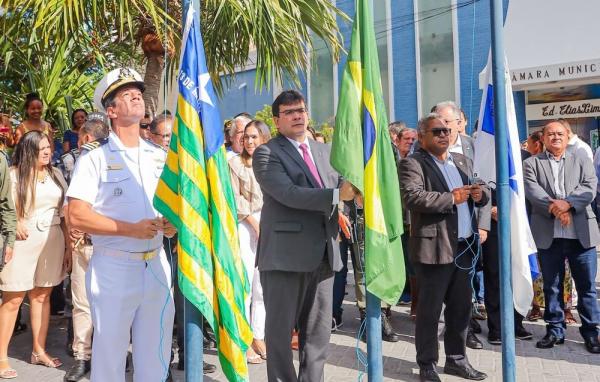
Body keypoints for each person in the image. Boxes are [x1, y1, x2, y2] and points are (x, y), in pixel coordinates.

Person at [67, 67, 176, 381]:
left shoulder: (159, 155)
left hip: (156, 264)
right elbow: (77, 214)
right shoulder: (95, 158)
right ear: (111, 110)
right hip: (114, 267)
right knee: (110, 357)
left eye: (138, 92)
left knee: (156, 355)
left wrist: (172, 226)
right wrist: (131, 229)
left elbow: (172, 207)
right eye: (126, 93)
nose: (136, 96)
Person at [252, 90, 356, 381]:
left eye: (301, 110)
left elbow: (344, 188)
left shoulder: (326, 151)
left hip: (324, 255)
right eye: (289, 112)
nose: (298, 115)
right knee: (280, 336)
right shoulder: (267, 152)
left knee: (317, 338)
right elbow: (288, 194)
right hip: (285, 257)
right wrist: (337, 195)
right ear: (276, 120)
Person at [399, 113, 489, 382]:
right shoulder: (413, 163)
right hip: (434, 248)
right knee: (430, 311)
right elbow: (412, 197)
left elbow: (483, 191)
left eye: (446, 131)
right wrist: (452, 197)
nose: (443, 135)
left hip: (463, 247)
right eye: (436, 131)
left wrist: (479, 194)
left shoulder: (462, 160)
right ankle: (427, 363)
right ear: (422, 135)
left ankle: (456, 359)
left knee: (461, 308)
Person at [523, 120, 600, 354]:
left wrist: (567, 205)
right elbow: (533, 191)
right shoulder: (531, 163)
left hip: (581, 236)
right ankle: (555, 330)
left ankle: (591, 333)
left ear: (568, 137)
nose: (555, 137)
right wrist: (556, 208)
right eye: (550, 134)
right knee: (552, 286)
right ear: (543, 138)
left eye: (560, 134)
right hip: (549, 235)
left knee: (586, 286)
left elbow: (589, 188)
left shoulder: (583, 160)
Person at [0, 131, 70, 379]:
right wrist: (14, 223)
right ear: (29, 150)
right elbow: (4, 206)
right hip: (23, 240)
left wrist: (68, 247)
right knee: (14, 298)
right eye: (41, 148)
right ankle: (1, 358)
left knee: (43, 294)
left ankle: (38, 351)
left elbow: (64, 213)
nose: (47, 151)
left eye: (49, 147)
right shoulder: (14, 175)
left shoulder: (56, 174)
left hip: (53, 239)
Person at [63, 114, 110, 382]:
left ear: (87, 138)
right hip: (83, 244)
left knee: (108, 304)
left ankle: (107, 354)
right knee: (82, 303)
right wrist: (73, 228)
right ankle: (83, 356)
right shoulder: (83, 160)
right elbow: (71, 201)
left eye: (82, 137)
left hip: (106, 244)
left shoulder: (114, 160)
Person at [229, 119, 271, 364]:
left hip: (271, 224)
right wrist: (256, 226)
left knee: (262, 286)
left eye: (255, 136)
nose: (250, 141)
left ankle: (259, 335)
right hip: (245, 225)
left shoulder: (272, 163)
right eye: (246, 137)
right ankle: (242, 340)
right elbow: (235, 201)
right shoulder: (235, 164)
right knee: (244, 283)